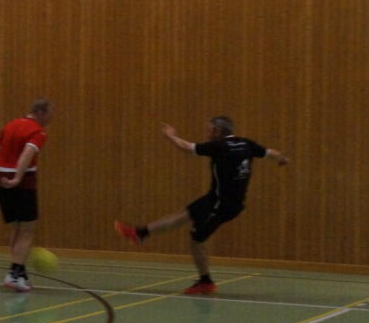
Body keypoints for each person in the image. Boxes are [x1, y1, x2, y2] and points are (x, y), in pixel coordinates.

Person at [114, 116, 289, 294]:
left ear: (217, 132)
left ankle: (206, 282)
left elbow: (187, 147)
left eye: (209, 129)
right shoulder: (246, 144)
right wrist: (282, 159)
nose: (207, 133)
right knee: (183, 215)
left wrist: (171, 136)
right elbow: (270, 153)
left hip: (222, 205)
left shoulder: (219, 146)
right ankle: (140, 233)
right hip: (216, 199)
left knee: (196, 240)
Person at [0, 98, 53, 292]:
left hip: (0, 179)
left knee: (17, 229)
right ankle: (13, 275)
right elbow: (27, 154)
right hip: (22, 183)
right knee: (27, 230)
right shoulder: (37, 132)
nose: (50, 119)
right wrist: (17, 178)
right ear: (40, 112)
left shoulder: (9, 126)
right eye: (49, 115)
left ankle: (20, 274)